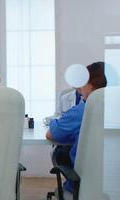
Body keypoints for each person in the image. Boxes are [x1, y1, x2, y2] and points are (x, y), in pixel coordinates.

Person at [45, 61, 107, 193]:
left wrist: (55, 122)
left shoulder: (83, 110)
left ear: (90, 85)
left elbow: (51, 134)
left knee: (60, 153)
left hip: (85, 189)